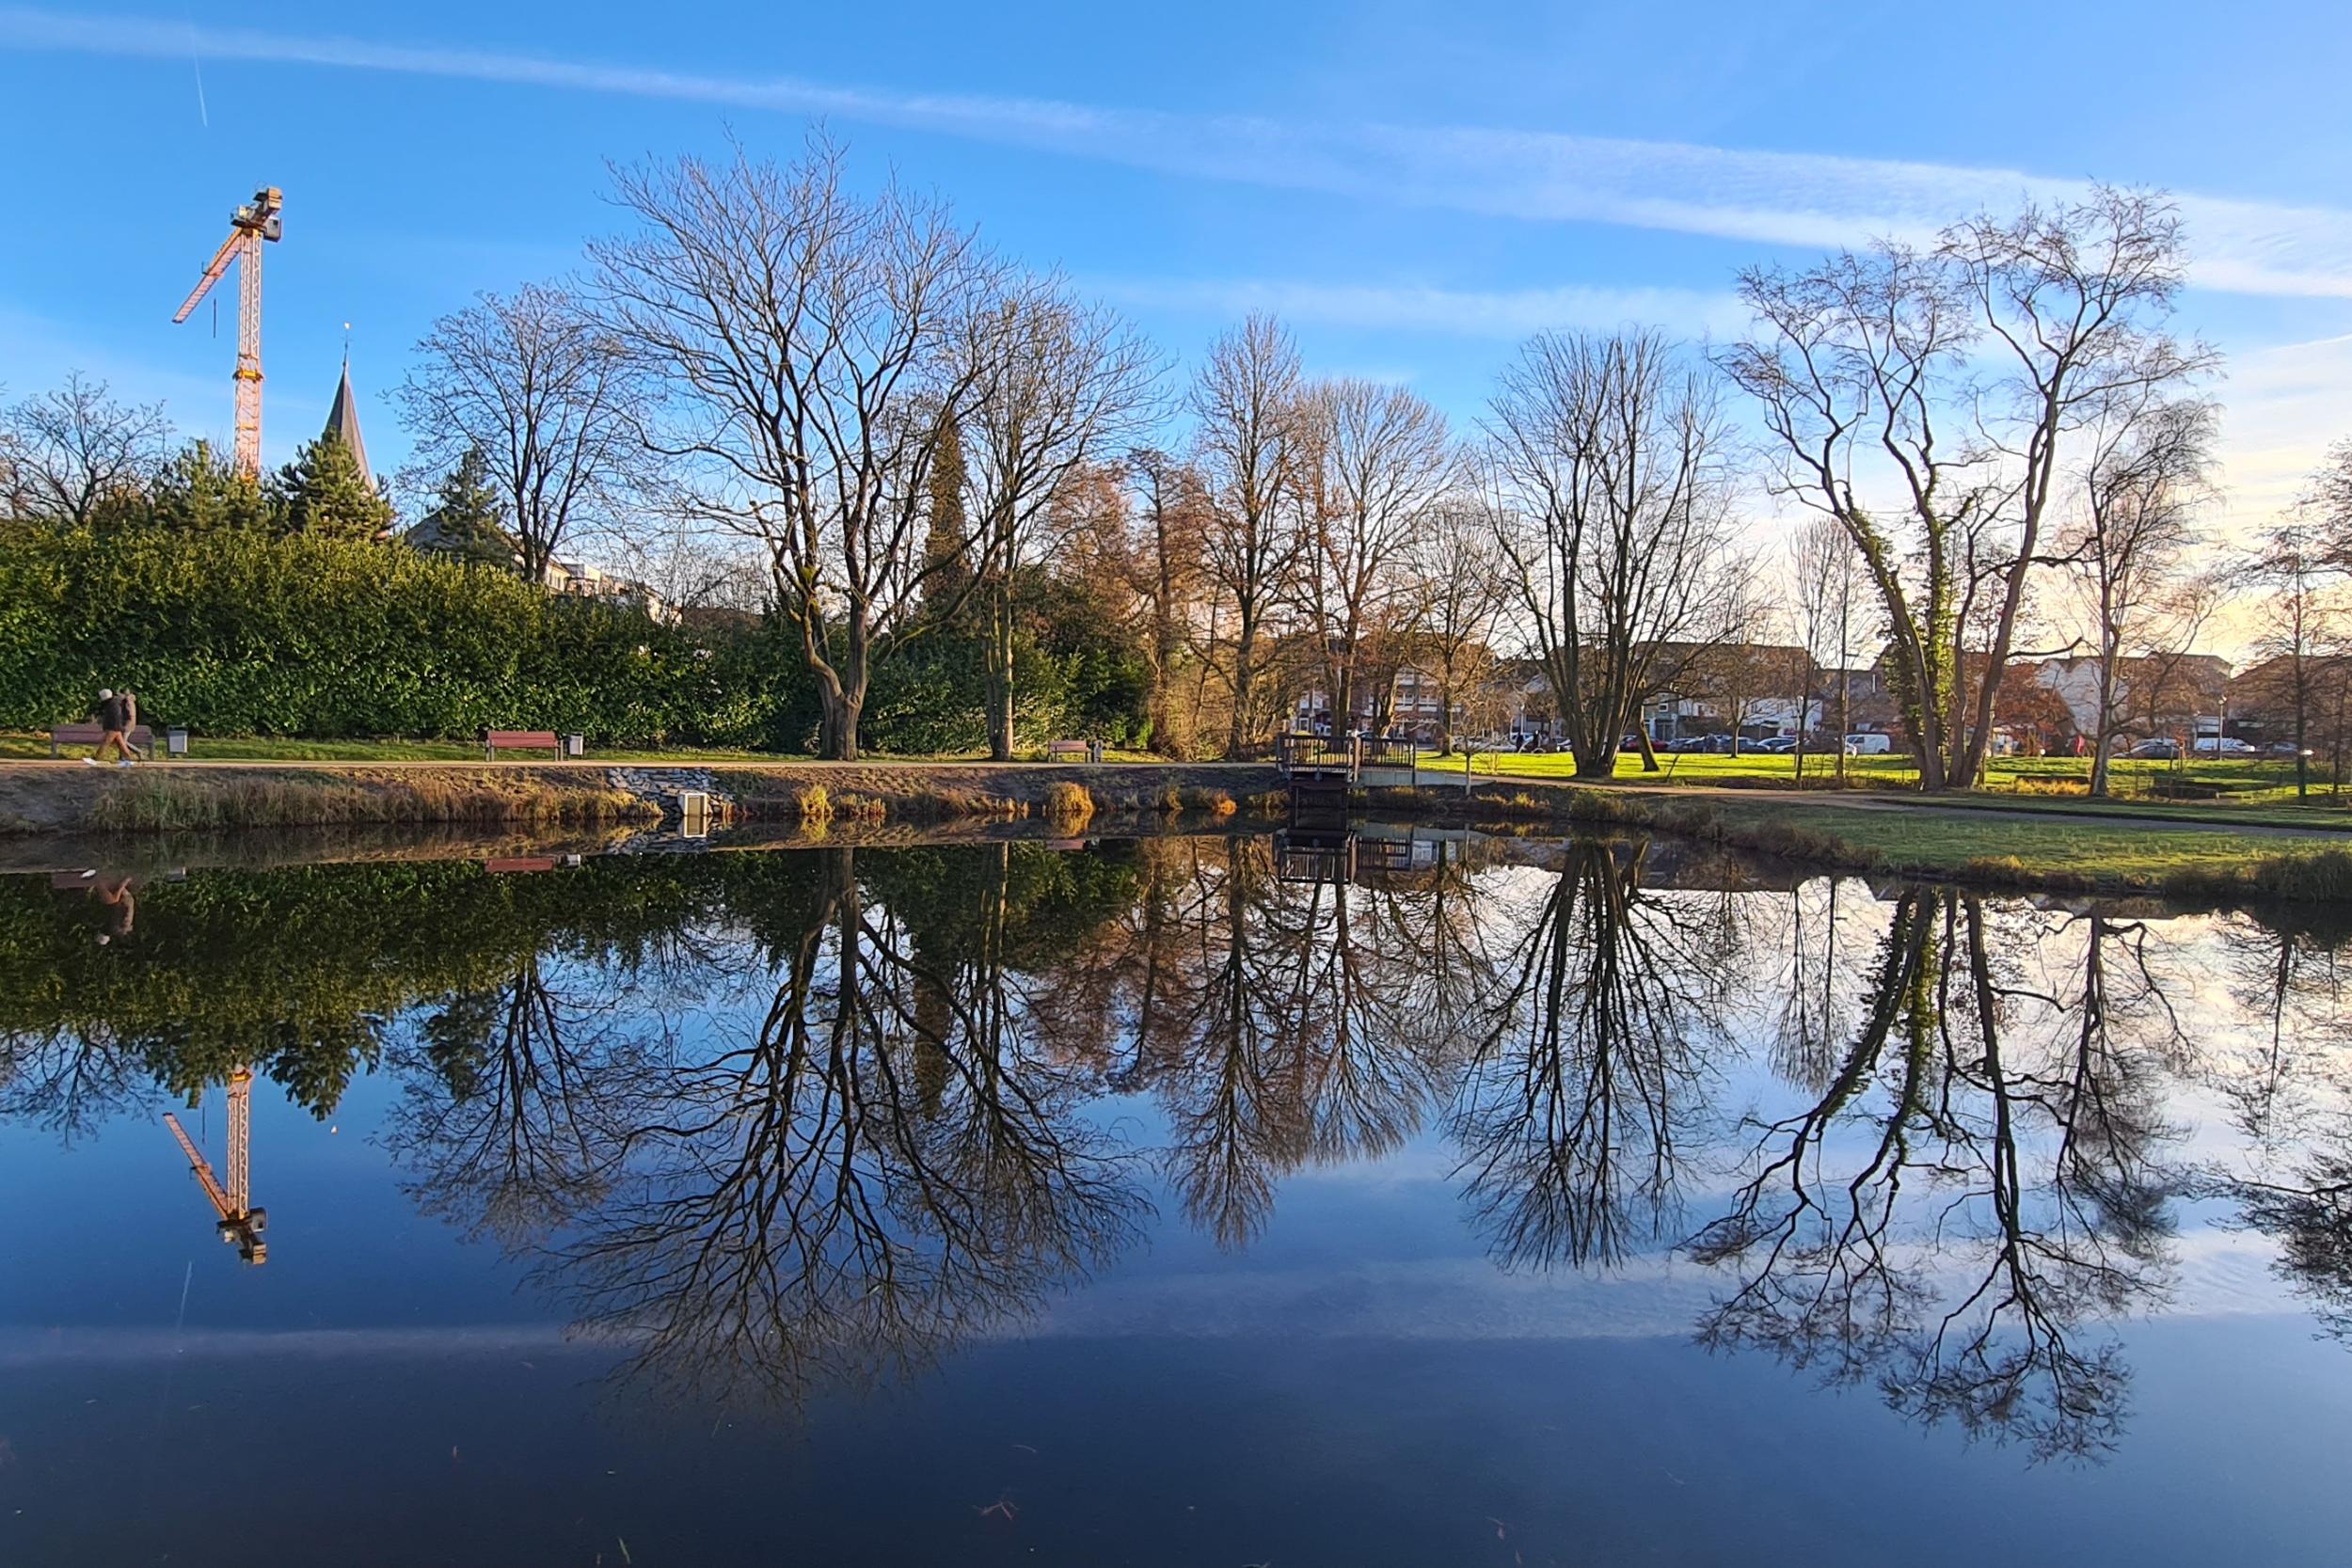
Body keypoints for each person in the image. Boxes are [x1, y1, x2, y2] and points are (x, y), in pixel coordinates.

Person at [82, 688, 137, 768]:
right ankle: (129, 760)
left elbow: (114, 716)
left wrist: (111, 726)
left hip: (114, 727)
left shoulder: (113, 704)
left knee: (105, 742)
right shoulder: (114, 702)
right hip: (116, 726)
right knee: (121, 744)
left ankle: (95, 759)